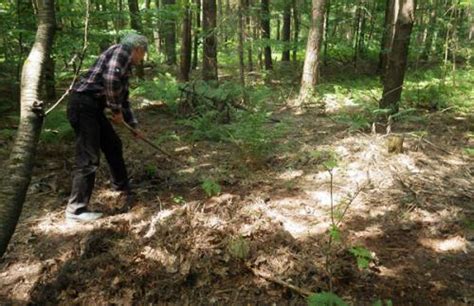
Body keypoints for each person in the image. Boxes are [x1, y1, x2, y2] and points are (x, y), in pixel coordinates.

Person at [65, 33, 147, 222]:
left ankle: (121, 187)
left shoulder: (124, 63)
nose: (142, 59)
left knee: (113, 145)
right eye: (143, 54)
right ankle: (75, 211)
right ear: (138, 49)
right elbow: (110, 79)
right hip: (83, 105)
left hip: (93, 108)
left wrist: (133, 125)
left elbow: (123, 98)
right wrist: (115, 110)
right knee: (88, 158)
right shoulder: (122, 51)